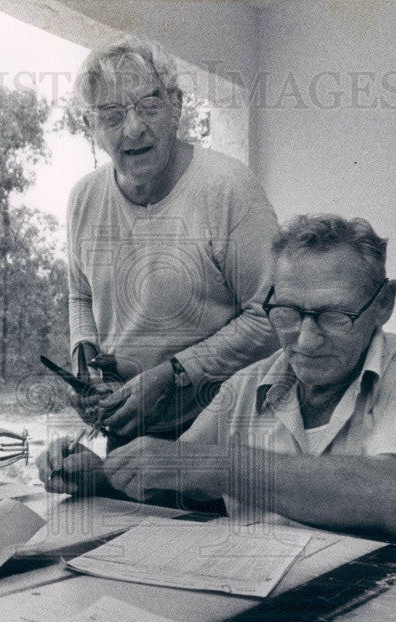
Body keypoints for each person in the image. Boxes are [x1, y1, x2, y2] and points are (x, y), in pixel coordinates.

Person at [39, 215, 396, 555]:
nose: (306, 341)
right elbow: (176, 479)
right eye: (288, 313)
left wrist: (220, 466)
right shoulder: (248, 386)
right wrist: (97, 476)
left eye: (334, 316)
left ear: (383, 303)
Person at [66, 36, 279, 447]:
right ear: (90, 127)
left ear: (177, 105)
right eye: (111, 115)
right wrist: (84, 364)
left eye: (149, 106)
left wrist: (172, 374)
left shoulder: (228, 188)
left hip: (224, 430)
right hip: (127, 429)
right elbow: (80, 297)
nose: (134, 128)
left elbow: (271, 317)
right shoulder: (83, 198)